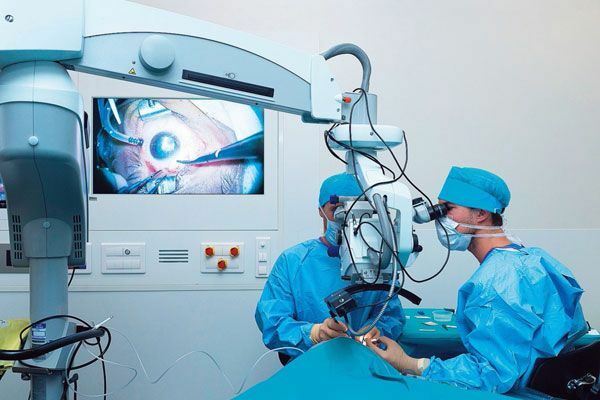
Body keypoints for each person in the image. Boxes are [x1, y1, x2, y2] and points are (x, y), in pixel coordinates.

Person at [367, 166, 587, 393]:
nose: (440, 218)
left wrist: (410, 364)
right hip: (553, 382)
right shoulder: (530, 258)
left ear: (481, 214)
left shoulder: (498, 283)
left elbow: (492, 375)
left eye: (448, 208)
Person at [255, 173, 406, 363]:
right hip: (310, 365)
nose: (347, 218)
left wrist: (376, 330)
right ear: (320, 210)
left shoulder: (380, 261)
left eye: (356, 209)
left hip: (363, 361)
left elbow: (391, 316)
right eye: (337, 209)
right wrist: (314, 333)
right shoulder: (292, 261)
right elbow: (272, 322)